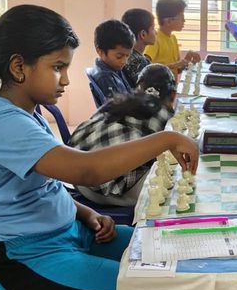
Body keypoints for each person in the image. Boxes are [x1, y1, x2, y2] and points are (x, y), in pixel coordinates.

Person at [0, 4, 199, 290]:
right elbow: (86, 171)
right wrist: (165, 139)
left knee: (170, 251)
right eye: (58, 67)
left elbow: (44, 188)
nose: (66, 80)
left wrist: (86, 213)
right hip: (25, 260)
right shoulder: (1, 123)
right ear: (19, 67)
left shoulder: (27, 115)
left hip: (72, 233)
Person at [69, 64, 176, 206]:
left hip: (76, 176)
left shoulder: (118, 100)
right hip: (104, 188)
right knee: (168, 183)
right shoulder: (162, 114)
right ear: (173, 95)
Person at [144, 0, 200, 80]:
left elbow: (177, 70)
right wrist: (176, 64)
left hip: (171, 87)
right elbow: (146, 69)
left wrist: (187, 60)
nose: (184, 21)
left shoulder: (173, 38)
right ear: (169, 21)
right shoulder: (155, 40)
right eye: (182, 17)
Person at [89, 19, 135, 98]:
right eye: (119, 56)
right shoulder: (104, 78)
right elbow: (119, 108)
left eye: (127, 56)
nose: (124, 61)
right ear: (100, 51)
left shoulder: (115, 67)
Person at [121, 8, 156, 88]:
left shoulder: (125, 56)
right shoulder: (139, 62)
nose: (156, 32)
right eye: (153, 29)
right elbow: (152, 92)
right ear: (143, 34)